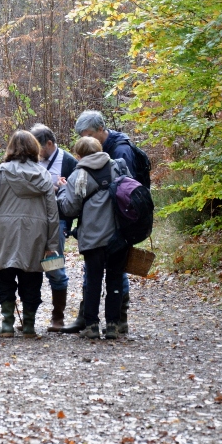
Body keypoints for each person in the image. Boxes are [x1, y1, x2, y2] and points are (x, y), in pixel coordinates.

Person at [0, 131, 59, 338]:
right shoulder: (44, 175)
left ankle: (7, 324)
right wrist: (51, 242)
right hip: (35, 234)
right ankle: (29, 326)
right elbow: (52, 213)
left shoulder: (1, 172)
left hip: (4, 232)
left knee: (3, 278)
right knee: (32, 279)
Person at [63, 110, 133, 333]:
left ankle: (91, 325)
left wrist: (61, 192)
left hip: (93, 237)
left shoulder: (79, 175)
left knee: (92, 281)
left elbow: (69, 207)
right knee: (114, 280)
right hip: (118, 236)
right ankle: (112, 325)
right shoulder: (119, 166)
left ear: (80, 154)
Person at [29, 124, 77, 332]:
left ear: (49, 143)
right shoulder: (30, 160)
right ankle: (29, 319)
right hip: (31, 222)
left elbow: (75, 197)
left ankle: (58, 317)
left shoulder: (68, 162)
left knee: (54, 267)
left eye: (38, 148)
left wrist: (64, 189)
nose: (36, 153)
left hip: (57, 223)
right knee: (29, 267)